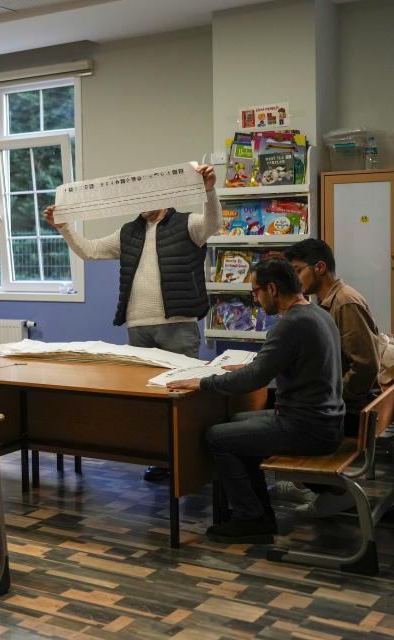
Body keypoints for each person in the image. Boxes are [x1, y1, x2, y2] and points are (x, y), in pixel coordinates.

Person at [44, 164, 219, 482]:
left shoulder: (188, 224)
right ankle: (162, 459)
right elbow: (89, 251)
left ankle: (187, 462)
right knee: (149, 401)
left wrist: (208, 191)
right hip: (138, 326)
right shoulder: (129, 232)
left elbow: (213, 223)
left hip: (178, 325)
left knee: (182, 399)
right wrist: (64, 227)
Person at [167, 258, 345, 543]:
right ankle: (257, 512)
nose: (255, 298)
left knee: (216, 437)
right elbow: (275, 365)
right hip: (326, 422)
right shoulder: (318, 314)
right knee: (235, 423)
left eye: (256, 291)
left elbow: (254, 381)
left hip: (306, 428)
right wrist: (250, 368)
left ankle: (252, 519)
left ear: (272, 289)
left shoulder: (289, 324)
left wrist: (201, 381)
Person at [271, 239, 382, 514]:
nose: (293, 280)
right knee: (274, 401)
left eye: (297, 271)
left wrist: (328, 401)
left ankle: (315, 484)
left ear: (319, 267)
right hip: (346, 405)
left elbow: (365, 367)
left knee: (272, 415)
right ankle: (305, 482)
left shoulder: (344, 303)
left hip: (352, 412)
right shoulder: (326, 302)